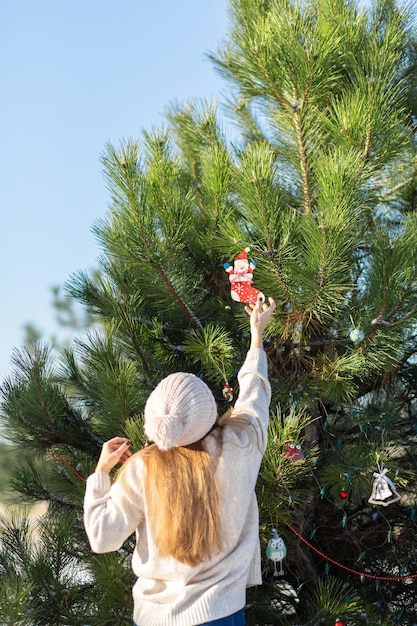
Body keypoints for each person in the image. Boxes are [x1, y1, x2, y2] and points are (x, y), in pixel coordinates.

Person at [84, 296, 276, 626]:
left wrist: (101, 474)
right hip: (221, 613)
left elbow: (102, 539)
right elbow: (254, 395)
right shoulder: (238, 445)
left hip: (155, 617)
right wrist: (256, 335)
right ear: (206, 413)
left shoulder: (141, 468)